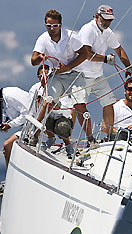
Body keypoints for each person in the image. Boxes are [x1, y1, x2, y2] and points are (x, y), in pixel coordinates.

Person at [30, 9, 95, 146]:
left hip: (74, 73)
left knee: (80, 106)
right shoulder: (43, 39)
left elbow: (84, 54)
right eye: (49, 26)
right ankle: (34, 135)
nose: (52, 29)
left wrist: (68, 67)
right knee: (48, 102)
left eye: (55, 26)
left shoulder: (71, 36)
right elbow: (33, 60)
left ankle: (90, 139)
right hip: (57, 75)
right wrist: (40, 57)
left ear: (60, 25)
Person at [76, 5, 132, 136]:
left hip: (97, 76)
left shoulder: (108, 32)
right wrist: (105, 59)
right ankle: (88, 138)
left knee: (109, 102)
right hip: (82, 75)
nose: (107, 23)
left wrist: (129, 68)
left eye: (110, 20)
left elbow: (119, 50)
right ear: (97, 17)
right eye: (105, 19)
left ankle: (110, 135)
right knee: (79, 107)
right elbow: (85, 53)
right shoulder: (88, 29)